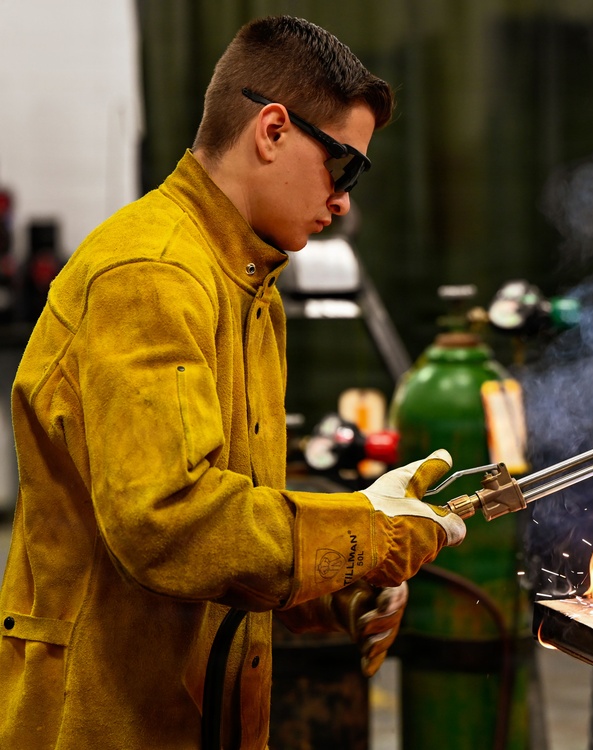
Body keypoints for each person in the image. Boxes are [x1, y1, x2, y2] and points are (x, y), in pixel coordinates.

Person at [0, 15, 465, 749]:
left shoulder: (247, 287)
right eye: (343, 166)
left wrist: (336, 590)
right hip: (101, 719)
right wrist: (361, 534)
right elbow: (169, 523)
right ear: (273, 131)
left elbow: (228, 536)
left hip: (191, 712)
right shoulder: (152, 274)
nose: (343, 200)